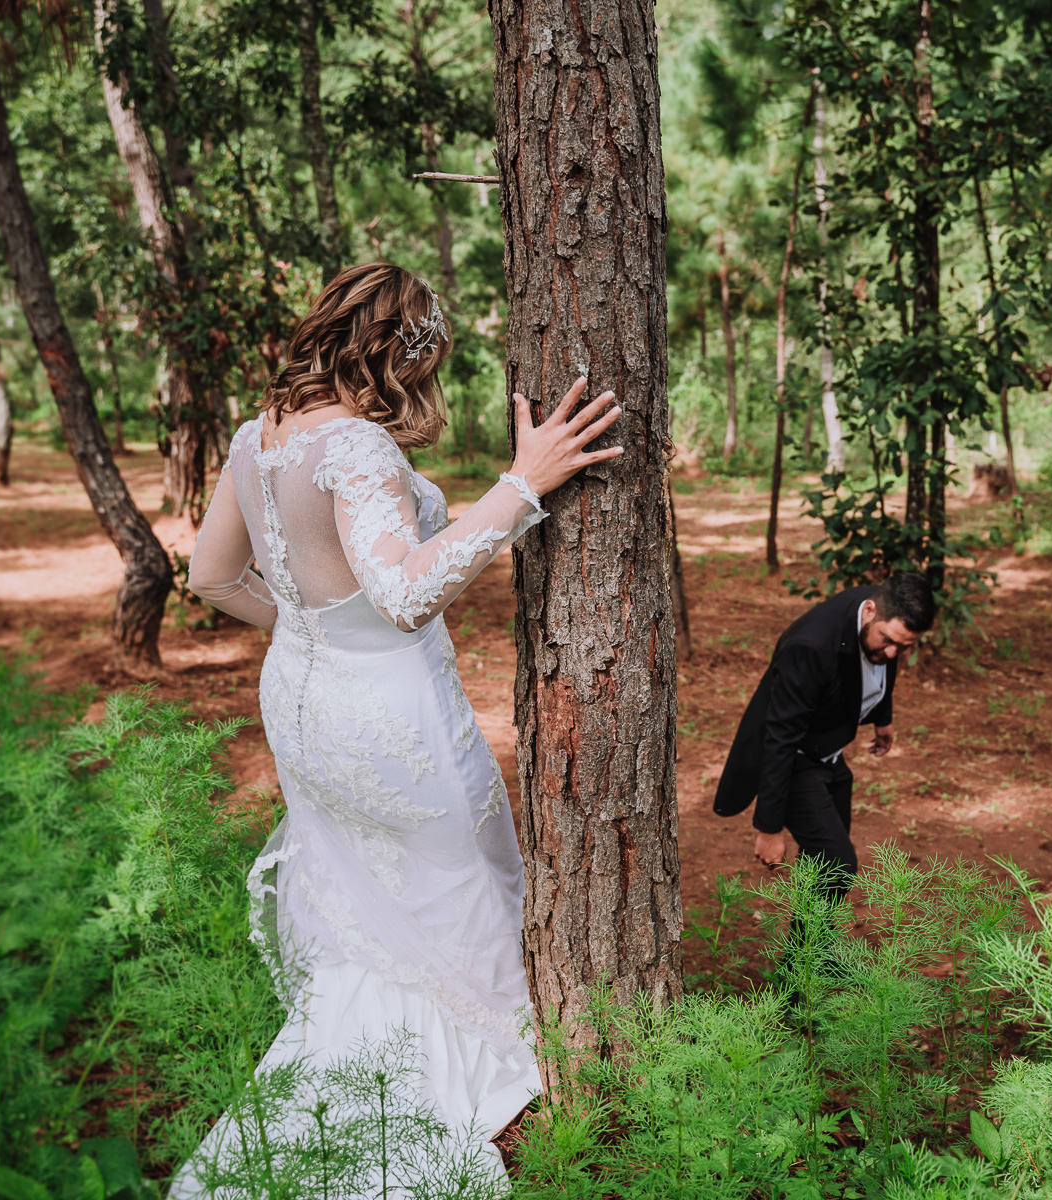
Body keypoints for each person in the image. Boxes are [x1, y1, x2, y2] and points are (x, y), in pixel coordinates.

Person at [174, 262, 622, 1195]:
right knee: (461, 877)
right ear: (397, 356)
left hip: (300, 696)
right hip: (387, 714)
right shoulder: (358, 449)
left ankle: (360, 1066)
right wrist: (520, 485)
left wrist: (314, 632)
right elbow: (408, 591)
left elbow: (212, 577)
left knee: (366, 895)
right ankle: (487, 1073)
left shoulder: (259, 438)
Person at [711, 573, 935, 903]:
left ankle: (809, 954)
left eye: (904, 646)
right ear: (870, 610)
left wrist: (881, 718)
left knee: (822, 865)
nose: (891, 654)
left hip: (829, 749)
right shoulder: (811, 646)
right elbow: (779, 736)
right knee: (836, 863)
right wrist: (769, 829)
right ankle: (807, 952)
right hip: (795, 759)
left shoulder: (884, 616)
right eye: (887, 640)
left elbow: (880, 665)